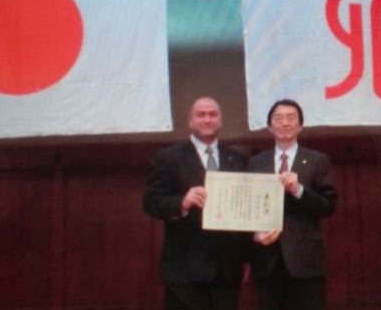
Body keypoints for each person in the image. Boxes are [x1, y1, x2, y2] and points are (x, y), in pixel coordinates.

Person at [143, 97, 250, 310]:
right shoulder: (168, 158)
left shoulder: (239, 158)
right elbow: (151, 202)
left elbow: (245, 211)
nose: (207, 119)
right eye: (201, 115)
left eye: (213, 114)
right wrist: (182, 203)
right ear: (190, 121)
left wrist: (246, 257)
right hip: (184, 270)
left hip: (227, 269)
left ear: (220, 120)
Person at [249, 99, 337, 310]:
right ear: (270, 127)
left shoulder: (317, 160)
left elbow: (328, 206)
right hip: (267, 260)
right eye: (278, 118)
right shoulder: (256, 162)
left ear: (300, 126)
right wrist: (255, 234)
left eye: (291, 118)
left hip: (305, 261)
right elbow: (248, 208)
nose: (285, 123)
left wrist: (299, 190)